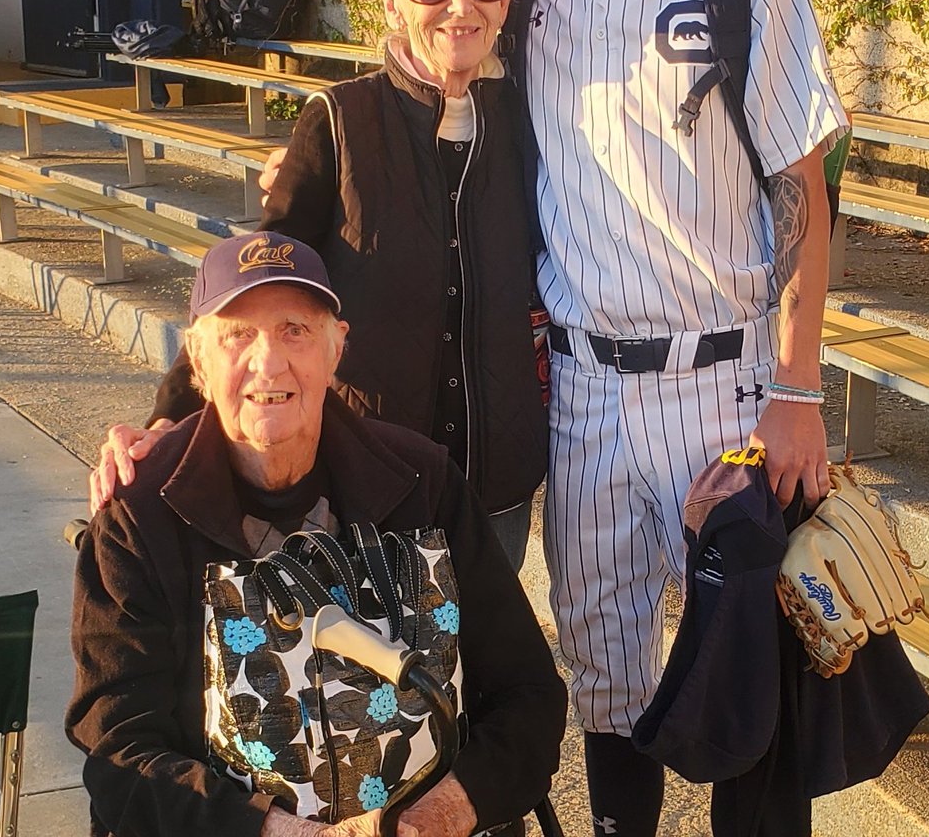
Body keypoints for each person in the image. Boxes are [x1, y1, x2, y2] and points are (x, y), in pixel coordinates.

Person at [507, 0, 849, 837]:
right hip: (589, 390)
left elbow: (803, 193)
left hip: (729, 385)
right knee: (605, 684)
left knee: (753, 674)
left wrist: (797, 393)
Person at [90, 0, 548, 571]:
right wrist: (167, 422)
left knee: (486, 672)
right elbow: (258, 289)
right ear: (393, 1)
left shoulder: (535, 121)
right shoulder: (339, 121)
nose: (461, 5)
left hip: (496, 487)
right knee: (371, 674)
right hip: (373, 482)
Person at [66, 231, 566, 837]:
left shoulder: (423, 482)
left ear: (336, 350)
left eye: (295, 330)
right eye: (238, 334)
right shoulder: (139, 515)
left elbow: (529, 693)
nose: (269, 361)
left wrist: (437, 816)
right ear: (198, 362)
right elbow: (120, 751)